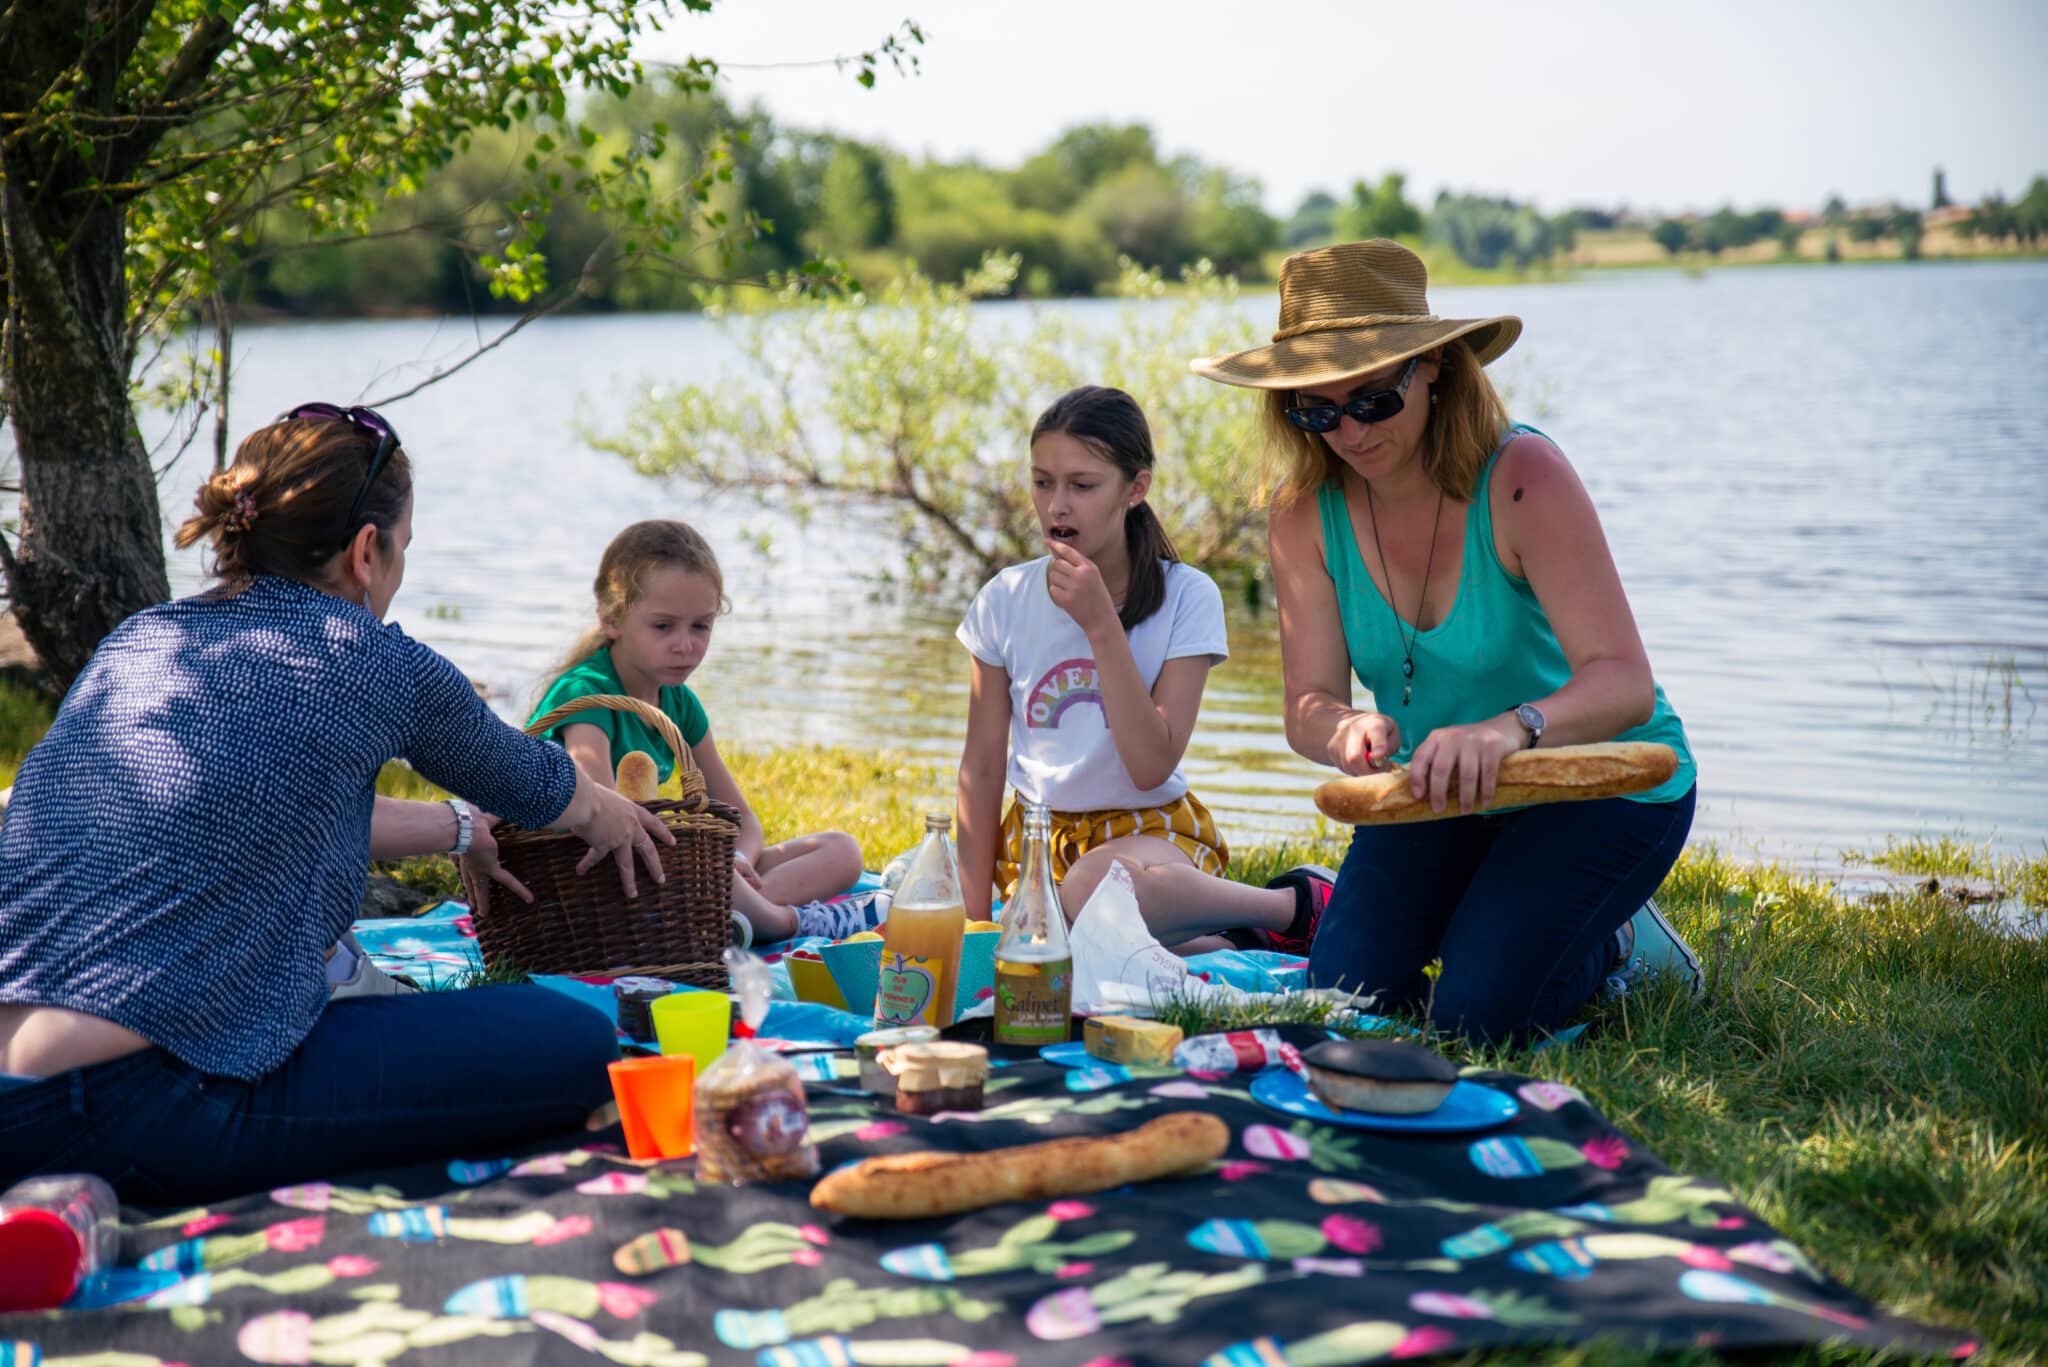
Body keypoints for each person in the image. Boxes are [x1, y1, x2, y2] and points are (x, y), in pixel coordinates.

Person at [0, 404, 672, 1203]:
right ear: (365, 551)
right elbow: (537, 783)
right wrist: (614, 813)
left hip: (15, 1089)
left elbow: (258, 812)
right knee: (577, 1038)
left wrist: (458, 827)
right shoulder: (371, 659)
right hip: (141, 1097)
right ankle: (84, 1195)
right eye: (402, 549)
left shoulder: (144, 640)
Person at [1193, 239, 1700, 1042]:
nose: (1348, 431)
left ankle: (1622, 940)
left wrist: (1508, 729)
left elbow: (1624, 682)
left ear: (1432, 366)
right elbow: (1307, 704)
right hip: (1445, 788)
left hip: (1603, 783)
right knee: (1350, 997)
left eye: (1372, 399)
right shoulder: (1302, 513)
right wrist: (1344, 728)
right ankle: (1498, 909)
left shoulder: (1524, 476)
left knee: (1478, 1016)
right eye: (1315, 410)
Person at [955, 385, 1331, 952]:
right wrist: (973, 924)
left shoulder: (1187, 597)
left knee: (1090, 890)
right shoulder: (1004, 599)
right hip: (1037, 842)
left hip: (1149, 835)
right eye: (1042, 482)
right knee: (1048, 937)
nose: (1056, 506)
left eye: (1082, 485)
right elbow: (981, 771)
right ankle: (1221, 940)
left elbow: (1151, 765)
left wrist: (1101, 625)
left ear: (1136, 488)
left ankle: (1292, 906)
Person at [530, 519, 877, 945]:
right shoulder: (587, 694)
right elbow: (599, 810)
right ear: (612, 620)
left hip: (652, 870)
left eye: (700, 626)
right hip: (584, 873)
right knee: (703, 869)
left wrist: (737, 859)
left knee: (841, 850)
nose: (686, 645)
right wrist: (704, 866)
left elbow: (740, 818)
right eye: (663, 626)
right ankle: (788, 922)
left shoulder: (678, 704)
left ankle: (726, 917)